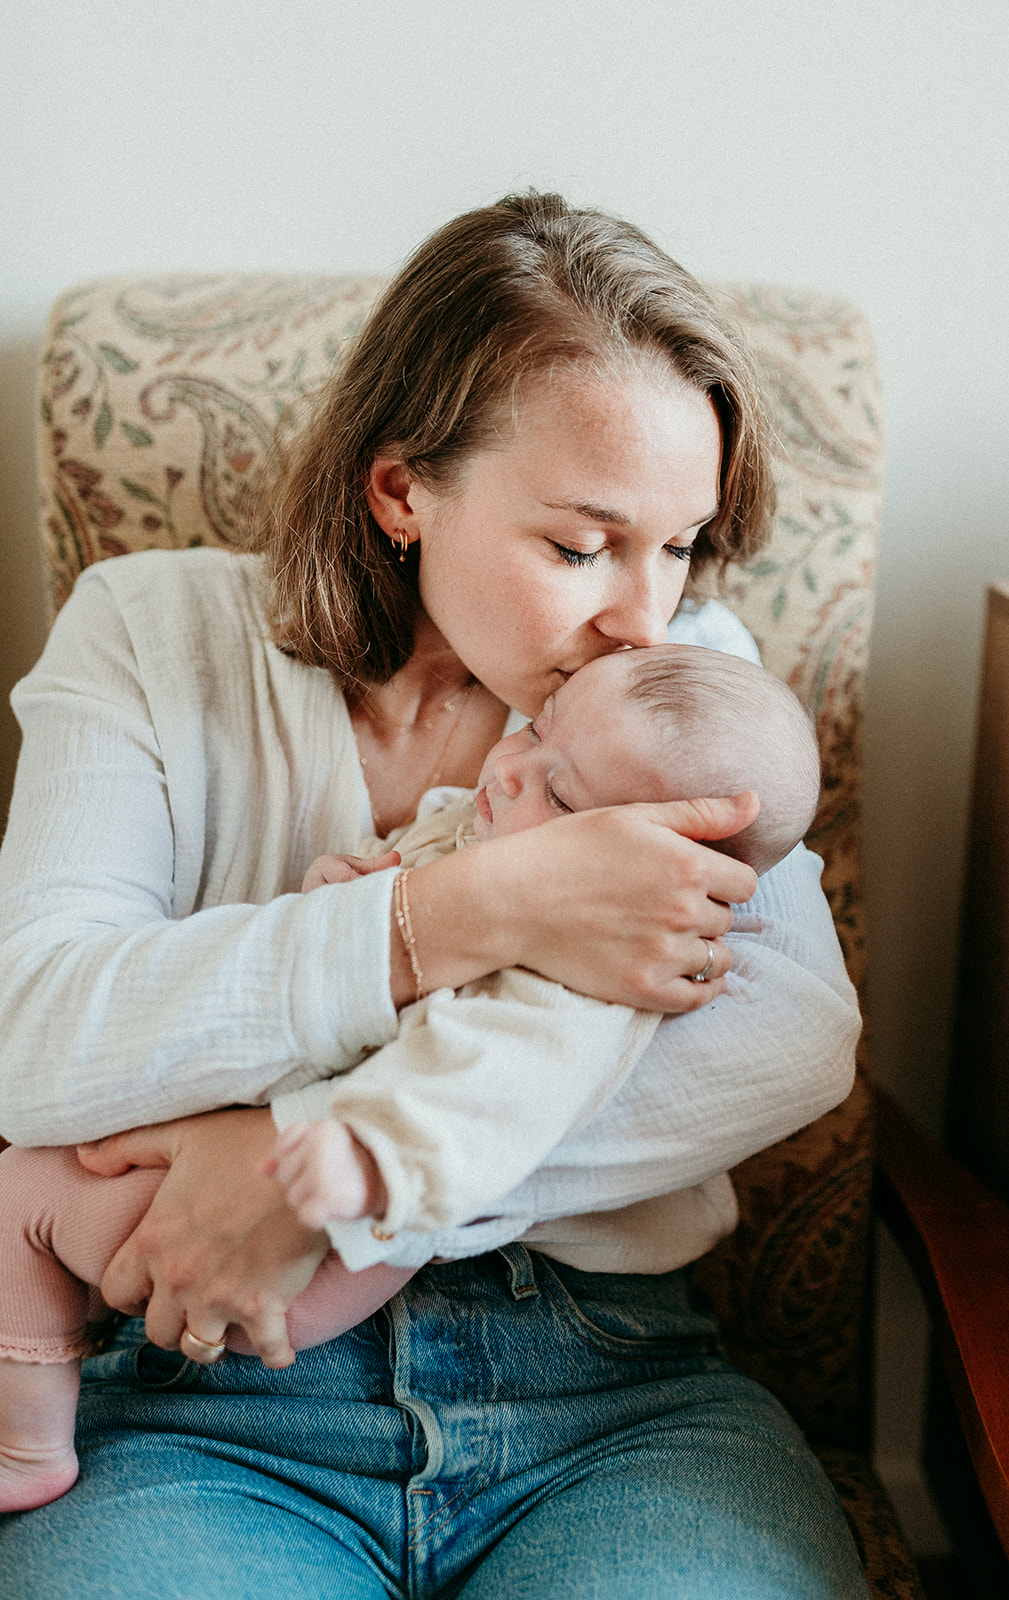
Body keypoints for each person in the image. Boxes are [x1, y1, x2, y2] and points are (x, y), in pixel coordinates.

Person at [0, 193, 865, 1597]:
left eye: (680, 543)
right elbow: (34, 1036)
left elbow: (785, 1042)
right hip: (209, 1393)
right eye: (579, 546)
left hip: (609, 1391)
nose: (640, 615)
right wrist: (471, 914)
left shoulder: (680, 676)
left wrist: (311, 1177)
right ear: (401, 491)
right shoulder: (152, 634)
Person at [0, 642, 822, 1514]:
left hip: (334, 1256)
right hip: (266, 1337)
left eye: (564, 795)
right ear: (400, 496)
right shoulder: (488, 823)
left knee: (23, 1198)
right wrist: (353, 892)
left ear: (676, 861)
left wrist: (366, 1156)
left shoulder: (587, 983)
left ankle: (26, 1448)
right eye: (534, 732)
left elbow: (498, 1084)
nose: (510, 772)